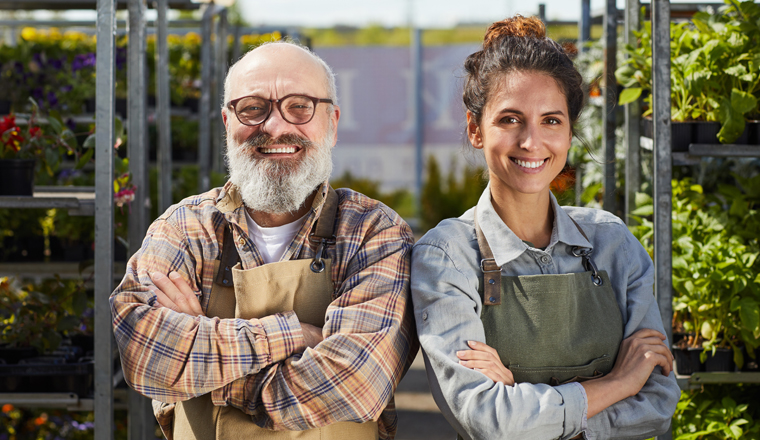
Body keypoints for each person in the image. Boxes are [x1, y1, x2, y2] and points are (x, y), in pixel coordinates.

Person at [110, 41, 417, 440]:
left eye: (300, 106)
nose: (275, 126)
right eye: (253, 107)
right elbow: (144, 353)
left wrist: (204, 367)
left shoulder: (372, 232)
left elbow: (355, 383)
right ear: (227, 122)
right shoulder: (186, 228)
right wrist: (299, 335)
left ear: (333, 122)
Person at [410, 16, 680, 440]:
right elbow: (486, 419)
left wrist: (520, 399)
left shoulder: (611, 241)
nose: (531, 142)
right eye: (510, 119)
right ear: (475, 130)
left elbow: (658, 403)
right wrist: (618, 384)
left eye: (551, 121)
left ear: (570, 132)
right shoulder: (447, 255)